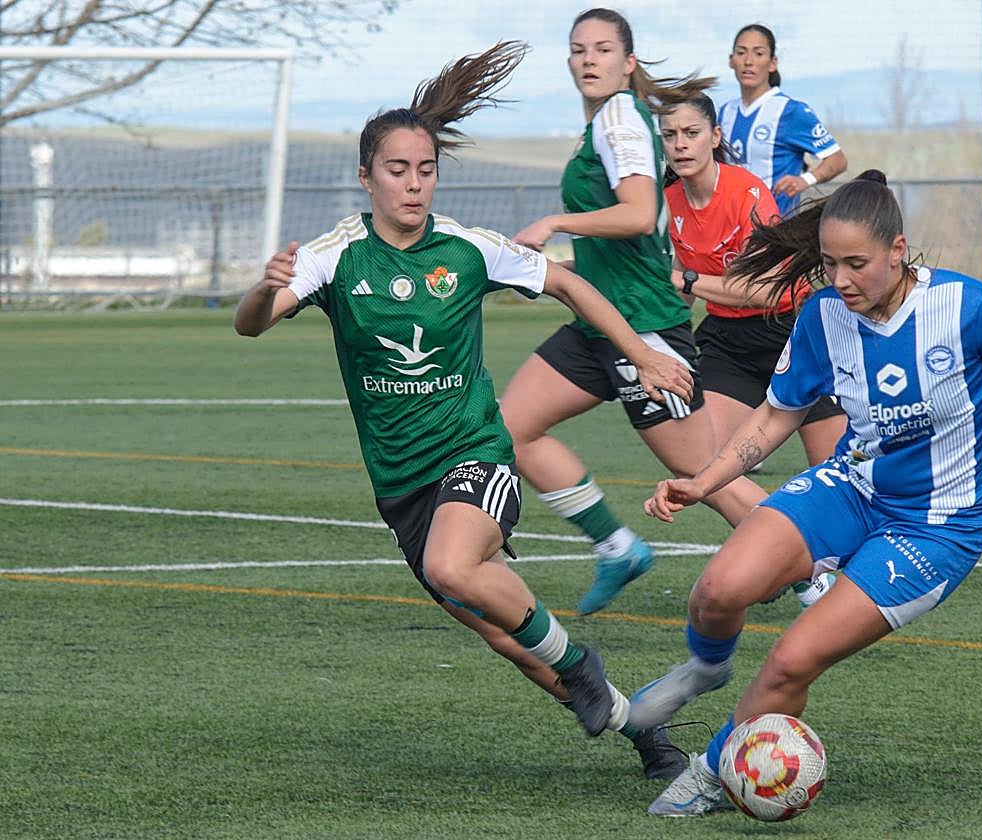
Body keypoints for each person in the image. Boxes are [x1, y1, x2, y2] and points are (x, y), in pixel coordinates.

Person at [233, 41, 689, 780]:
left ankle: (582, 662)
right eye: (396, 170)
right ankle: (645, 734)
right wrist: (262, 288)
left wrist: (641, 353)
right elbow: (252, 322)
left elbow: (570, 285)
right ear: (365, 177)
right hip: (401, 486)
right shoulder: (336, 255)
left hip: (474, 452)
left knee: (455, 565)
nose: (414, 185)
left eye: (425, 170)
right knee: (509, 640)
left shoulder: (468, 249)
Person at [627, 170, 982, 816]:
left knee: (789, 661)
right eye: (830, 263)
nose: (841, 280)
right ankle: (706, 669)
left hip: (934, 530)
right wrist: (706, 480)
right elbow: (779, 414)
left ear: (898, 249)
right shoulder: (823, 316)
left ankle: (716, 771)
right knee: (717, 590)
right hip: (851, 488)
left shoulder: (977, 310)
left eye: (857, 264)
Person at [502, 8, 765, 616]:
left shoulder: (620, 116)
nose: (588, 59)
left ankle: (817, 563)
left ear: (628, 63)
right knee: (510, 428)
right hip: (597, 321)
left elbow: (639, 213)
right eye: (577, 50)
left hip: (642, 328)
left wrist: (555, 223)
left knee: (703, 473)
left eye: (601, 49)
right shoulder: (603, 121)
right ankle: (619, 547)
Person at [660, 92, 846, 473]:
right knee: (704, 462)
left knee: (836, 474)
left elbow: (764, 291)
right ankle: (761, 530)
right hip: (728, 342)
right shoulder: (667, 199)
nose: (680, 144)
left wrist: (688, 281)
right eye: (669, 134)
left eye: (691, 132)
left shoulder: (747, 192)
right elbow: (668, 274)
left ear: (715, 137)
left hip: (791, 333)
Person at [717, 23, 848, 217]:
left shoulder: (789, 111)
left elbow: (837, 160)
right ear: (731, 60)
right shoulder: (724, 112)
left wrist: (805, 180)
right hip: (731, 227)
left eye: (759, 53)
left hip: (776, 231)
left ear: (772, 63)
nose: (748, 61)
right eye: (741, 52)